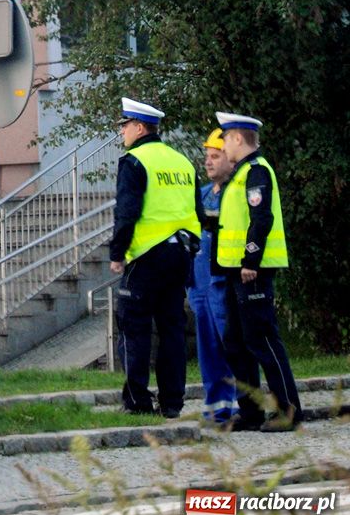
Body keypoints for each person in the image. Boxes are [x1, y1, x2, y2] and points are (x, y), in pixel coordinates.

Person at [109, 98, 202, 418]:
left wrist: (117, 253)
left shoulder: (134, 161)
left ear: (138, 127)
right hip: (180, 254)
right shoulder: (182, 161)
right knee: (172, 327)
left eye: (124, 126)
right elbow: (197, 211)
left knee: (133, 326)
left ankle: (137, 400)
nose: (122, 132)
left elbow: (127, 212)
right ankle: (173, 402)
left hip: (146, 255)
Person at [214, 112, 302, 432]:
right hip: (237, 272)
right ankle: (250, 412)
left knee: (262, 340)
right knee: (237, 343)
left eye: (225, 138)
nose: (223, 144)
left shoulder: (256, 171)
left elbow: (260, 218)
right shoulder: (241, 174)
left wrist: (251, 260)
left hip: (254, 270)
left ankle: (287, 411)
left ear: (238, 138)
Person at [189, 128, 238, 424]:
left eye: (215, 156)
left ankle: (240, 402)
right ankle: (216, 406)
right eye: (206, 156)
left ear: (230, 160)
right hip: (200, 285)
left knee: (231, 345)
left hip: (223, 285)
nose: (208, 162)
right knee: (207, 347)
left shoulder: (235, 194)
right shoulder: (203, 195)